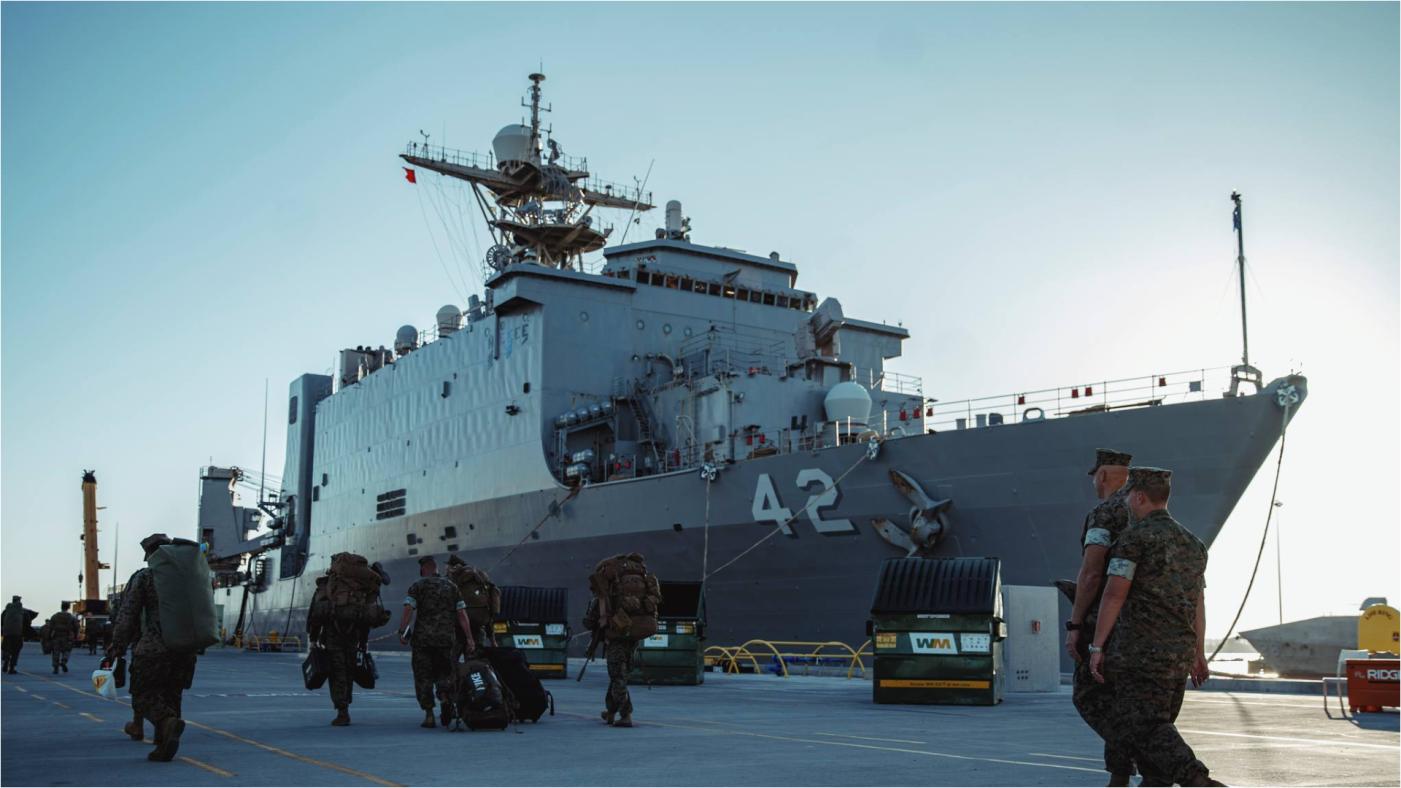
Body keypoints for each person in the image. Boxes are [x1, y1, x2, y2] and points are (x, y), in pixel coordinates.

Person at [1088, 468, 1221, 787]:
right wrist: (1198, 651)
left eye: (1130, 496)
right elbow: (1197, 604)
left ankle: (1198, 780)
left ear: (1139, 496)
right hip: (1177, 659)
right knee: (1154, 743)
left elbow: (1114, 593)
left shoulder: (1135, 539)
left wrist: (1096, 646)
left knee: (1147, 727)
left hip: (1140, 656)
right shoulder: (1194, 544)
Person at [1064, 448, 1144, 786]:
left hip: (1108, 624)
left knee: (1089, 694)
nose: (1095, 484)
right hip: (1149, 624)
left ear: (1103, 475)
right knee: (1126, 701)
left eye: (1095, 477)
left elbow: (1092, 574)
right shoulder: (1147, 512)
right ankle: (1120, 774)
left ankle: (1151, 759)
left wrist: (1076, 624)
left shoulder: (1106, 512)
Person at [109, 534, 195, 762]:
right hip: (185, 649)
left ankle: (166, 724)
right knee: (172, 695)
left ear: (150, 554)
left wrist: (117, 646)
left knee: (142, 695)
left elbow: (127, 615)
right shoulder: (189, 577)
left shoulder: (146, 577)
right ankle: (162, 744)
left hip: (154, 647)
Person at [398, 555, 475, 729]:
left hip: (423, 642)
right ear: (436, 568)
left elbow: (408, 608)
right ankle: (446, 700)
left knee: (423, 678)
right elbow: (462, 614)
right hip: (446, 640)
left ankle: (429, 715)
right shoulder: (452, 586)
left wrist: (403, 631)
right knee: (445, 674)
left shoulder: (418, 586)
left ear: (423, 569)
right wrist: (469, 638)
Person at [47, 602, 79, 674]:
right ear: (68, 607)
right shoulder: (71, 617)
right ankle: (64, 661)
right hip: (67, 636)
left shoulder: (55, 616)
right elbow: (76, 627)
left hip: (57, 636)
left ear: (61, 607)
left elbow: (50, 627)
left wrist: (49, 636)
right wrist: (76, 636)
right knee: (67, 650)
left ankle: (56, 668)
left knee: (56, 652)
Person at [2, 596, 25, 674]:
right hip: (17, 634)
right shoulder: (22, 611)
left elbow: (1, 620)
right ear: (19, 601)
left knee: (5, 648)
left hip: (6, 633)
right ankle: (11, 667)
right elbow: (27, 623)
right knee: (16, 650)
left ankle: (6, 660)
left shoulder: (6, 610)